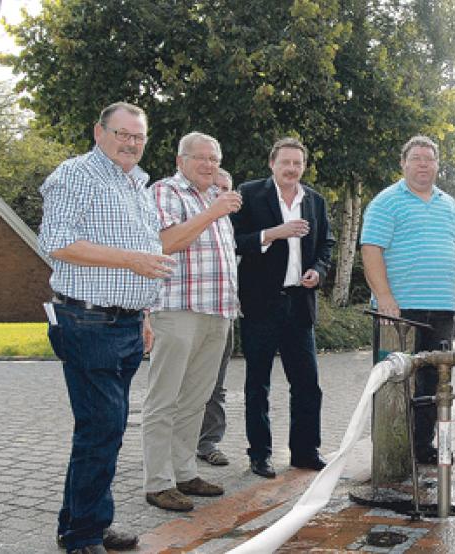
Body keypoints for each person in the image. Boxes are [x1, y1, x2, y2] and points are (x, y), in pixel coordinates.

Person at [39, 101, 174, 554]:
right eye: (123, 134)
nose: (132, 143)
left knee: (102, 431)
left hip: (126, 324)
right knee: (102, 429)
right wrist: (130, 260)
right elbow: (56, 242)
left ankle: (82, 522)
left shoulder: (137, 183)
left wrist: (146, 314)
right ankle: (83, 536)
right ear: (99, 133)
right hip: (88, 321)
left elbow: (147, 253)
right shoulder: (76, 175)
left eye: (139, 137)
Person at [361, 135, 455, 464]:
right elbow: (370, 250)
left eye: (429, 159)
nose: (424, 164)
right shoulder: (386, 201)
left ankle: (423, 449)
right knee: (394, 384)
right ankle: (390, 454)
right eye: (417, 158)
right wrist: (384, 297)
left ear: (438, 165)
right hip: (399, 311)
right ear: (404, 164)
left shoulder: (449, 204)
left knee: (435, 382)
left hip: (442, 309)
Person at [142, 133, 241, 512]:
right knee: (163, 399)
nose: (208, 164)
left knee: (196, 399)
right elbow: (166, 242)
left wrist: (217, 196)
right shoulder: (165, 191)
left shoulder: (214, 195)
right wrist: (212, 212)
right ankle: (157, 481)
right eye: (199, 157)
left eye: (213, 158)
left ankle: (184, 472)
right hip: (177, 309)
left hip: (217, 311)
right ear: (180, 160)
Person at [231, 137, 336, 479]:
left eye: (298, 164)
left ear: (304, 167)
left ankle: (305, 452)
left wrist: (317, 272)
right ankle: (259, 455)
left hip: (299, 303)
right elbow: (233, 240)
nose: (292, 169)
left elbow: (326, 246)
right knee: (257, 384)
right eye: (285, 162)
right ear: (272, 164)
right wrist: (273, 233)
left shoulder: (315, 201)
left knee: (307, 384)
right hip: (261, 303)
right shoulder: (248, 194)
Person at [197, 168, 236, 467]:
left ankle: (208, 442)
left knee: (215, 384)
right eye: (216, 189)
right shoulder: (190, 222)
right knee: (181, 385)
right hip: (188, 315)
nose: (222, 195)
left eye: (227, 189)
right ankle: (173, 446)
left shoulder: (228, 226)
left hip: (224, 315)